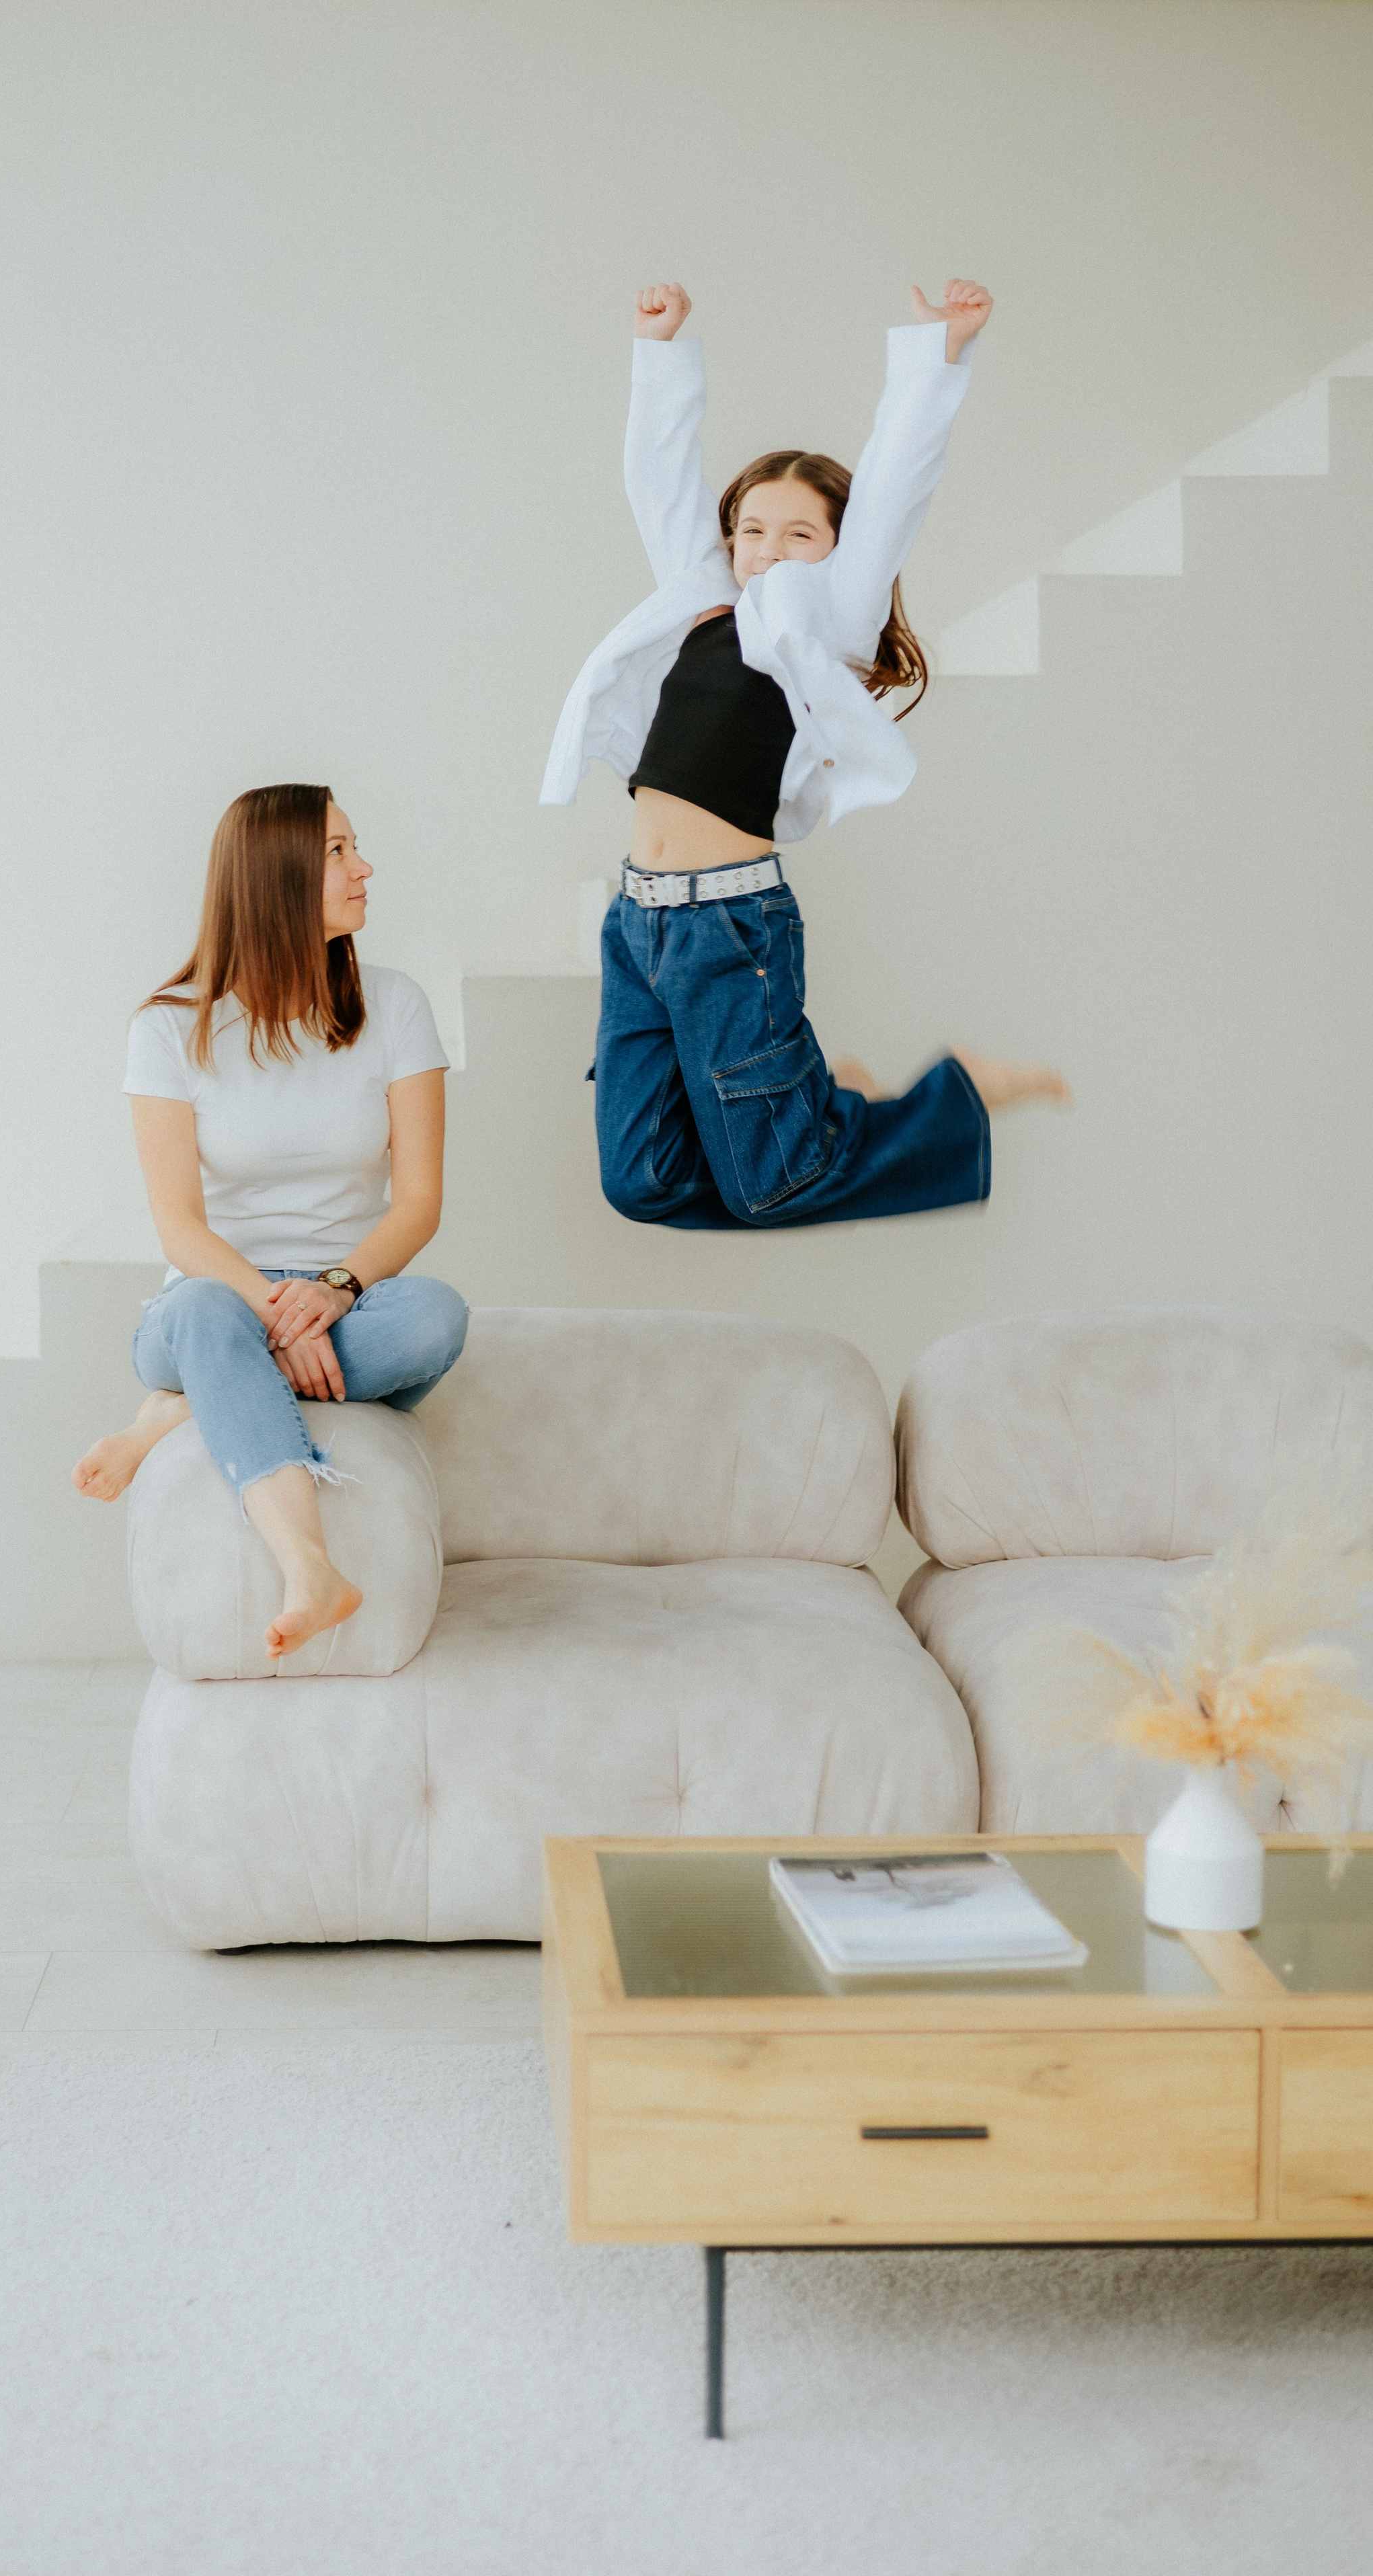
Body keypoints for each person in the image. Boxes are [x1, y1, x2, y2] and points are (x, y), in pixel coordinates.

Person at [541, 276, 1068, 1233]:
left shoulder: (827, 619)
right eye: (751, 531)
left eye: (799, 535)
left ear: (836, 549)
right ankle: (810, 1113)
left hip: (730, 933)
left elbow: (899, 476)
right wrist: (658, 350)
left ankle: (949, 1099)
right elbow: (656, 479)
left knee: (772, 1185)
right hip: (639, 927)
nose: (768, 551)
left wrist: (939, 349)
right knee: (641, 1183)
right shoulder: (701, 600)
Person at [72, 784, 467, 1661]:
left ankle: (171, 1417)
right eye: (337, 852)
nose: (364, 868)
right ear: (274, 876)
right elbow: (179, 1228)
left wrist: (329, 1293)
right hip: (208, 1300)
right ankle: (310, 1567)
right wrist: (270, 1310)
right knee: (211, 1319)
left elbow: (418, 1206)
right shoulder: (170, 1029)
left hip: (349, 1299)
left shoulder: (396, 1008)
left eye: (355, 847)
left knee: (438, 1316)